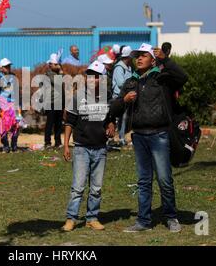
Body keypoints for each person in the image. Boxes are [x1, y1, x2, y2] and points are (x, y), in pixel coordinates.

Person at [111, 43, 188, 233]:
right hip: (139, 137)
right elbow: (114, 108)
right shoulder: (131, 81)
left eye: (143, 55)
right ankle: (143, 221)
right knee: (144, 181)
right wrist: (124, 101)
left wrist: (165, 59)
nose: (138, 58)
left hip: (159, 135)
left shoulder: (163, 78)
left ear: (152, 59)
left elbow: (183, 77)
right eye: (137, 55)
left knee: (164, 179)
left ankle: (171, 217)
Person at [62, 61, 116, 232]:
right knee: (78, 186)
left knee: (96, 187)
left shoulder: (107, 96)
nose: (92, 79)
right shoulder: (78, 96)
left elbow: (109, 119)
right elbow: (69, 122)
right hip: (81, 148)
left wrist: (111, 125)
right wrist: (66, 145)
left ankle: (92, 218)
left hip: (100, 148)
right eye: (90, 76)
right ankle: (71, 218)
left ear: (102, 79)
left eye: (96, 76)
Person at [0, 58, 21, 153]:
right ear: (1, 68)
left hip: (13, 105)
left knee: (16, 125)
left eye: (9, 66)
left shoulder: (13, 77)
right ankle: (5, 145)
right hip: (3, 106)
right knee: (3, 126)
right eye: (5, 66)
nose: (8, 68)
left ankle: (14, 144)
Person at [112, 46, 133, 146]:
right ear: (128, 57)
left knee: (124, 118)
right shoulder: (119, 68)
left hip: (126, 96)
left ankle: (121, 137)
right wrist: (131, 85)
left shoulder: (128, 67)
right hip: (119, 97)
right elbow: (121, 83)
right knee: (119, 118)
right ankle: (118, 138)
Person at [43, 53, 64, 149]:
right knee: (50, 123)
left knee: (58, 123)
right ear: (50, 65)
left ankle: (58, 142)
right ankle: (47, 142)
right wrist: (60, 72)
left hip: (59, 102)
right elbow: (58, 83)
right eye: (56, 64)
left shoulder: (59, 73)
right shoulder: (48, 74)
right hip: (50, 102)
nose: (58, 66)